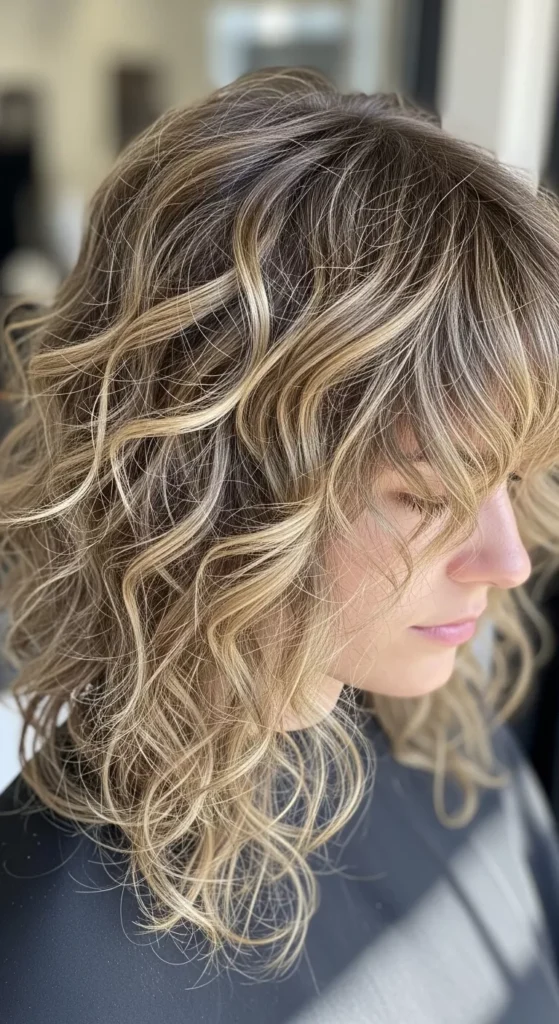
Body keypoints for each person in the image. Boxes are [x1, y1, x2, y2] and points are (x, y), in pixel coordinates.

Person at [0, 66, 559, 1024]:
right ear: (214, 492)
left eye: (507, 480)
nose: (509, 563)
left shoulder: (452, 749)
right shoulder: (55, 968)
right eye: (426, 497)